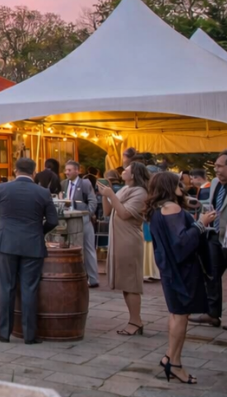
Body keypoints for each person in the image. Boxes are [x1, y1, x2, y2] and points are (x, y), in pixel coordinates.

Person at [148, 171, 215, 385]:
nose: (183, 185)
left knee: (176, 314)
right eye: (178, 183)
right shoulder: (172, 208)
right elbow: (181, 243)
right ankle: (175, 364)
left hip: (170, 269)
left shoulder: (159, 209)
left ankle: (170, 356)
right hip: (181, 271)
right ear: (169, 186)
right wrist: (201, 223)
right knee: (180, 316)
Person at [0, 157, 59, 344]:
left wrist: (4, 226)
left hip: (6, 243)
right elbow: (53, 220)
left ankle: (4, 332)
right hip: (32, 244)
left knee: (5, 288)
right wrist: (39, 231)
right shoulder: (43, 192)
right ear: (34, 172)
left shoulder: (1, 189)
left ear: (15, 170)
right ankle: (29, 334)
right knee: (29, 288)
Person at [97, 161, 150, 335]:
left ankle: (136, 321)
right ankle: (134, 320)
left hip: (129, 240)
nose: (123, 171)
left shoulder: (141, 192)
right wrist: (104, 195)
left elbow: (125, 213)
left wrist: (111, 194)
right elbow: (107, 212)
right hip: (119, 240)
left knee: (131, 283)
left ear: (133, 174)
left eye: (126, 169)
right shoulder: (125, 189)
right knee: (125, 282)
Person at [191, 149, 227, 329]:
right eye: (215, 166)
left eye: (220, 166)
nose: (216, 170)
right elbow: (212, 205)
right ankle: (212, 313)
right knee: (211, 275)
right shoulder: (215, 183)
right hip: (214, 235)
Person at [63, 160, 100, 288]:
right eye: (66, 170)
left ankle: (93, 278)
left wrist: (87, 214)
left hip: (83, 218)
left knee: (88, 248)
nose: (66, 172)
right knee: (72, 248)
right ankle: (75, 276)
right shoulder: (63, 184)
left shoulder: (85, 183)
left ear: (77, 171)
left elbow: (93, 201)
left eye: (69, 170)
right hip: (69, 219)